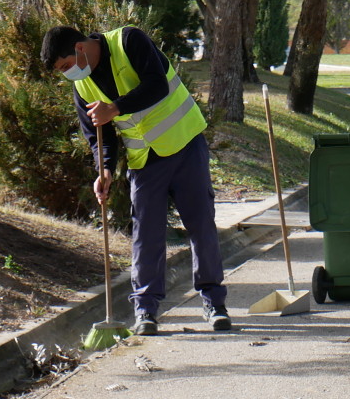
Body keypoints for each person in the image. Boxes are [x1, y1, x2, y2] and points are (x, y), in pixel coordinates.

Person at [40, 25, 232, 335]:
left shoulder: (129, 41)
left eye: (65, 66)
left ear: (79, 48)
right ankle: (145, 311)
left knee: (201, 225)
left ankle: (214, 303)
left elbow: (157, 85)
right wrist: (104, 170)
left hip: (185, 143)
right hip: (145, 160)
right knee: (146, 235)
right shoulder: (83, 85)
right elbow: (97, 134)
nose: (67, 75)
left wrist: (114, 108)